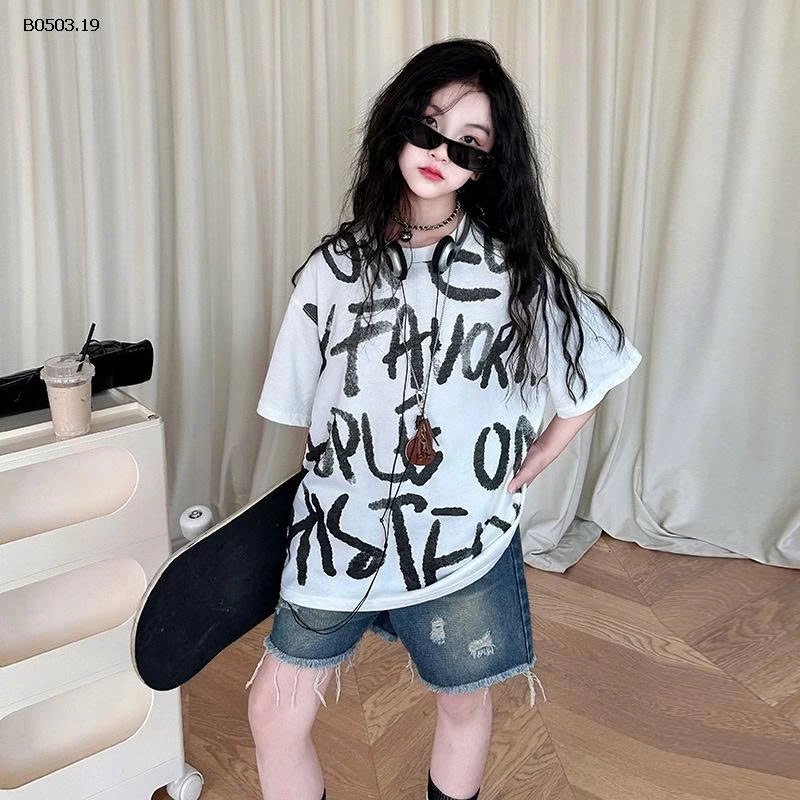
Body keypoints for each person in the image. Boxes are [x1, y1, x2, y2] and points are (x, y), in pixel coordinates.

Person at [247, 37, 642, 800]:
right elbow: (306, 415)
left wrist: (538, 457)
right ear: (396, 124)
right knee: (273, 711)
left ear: (487, 165)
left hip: (462, 534)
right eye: (428, 127)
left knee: (463, 704)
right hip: (339, 532)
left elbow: (597, 358)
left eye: (469, 143)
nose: (440, 153)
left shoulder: (511, 269)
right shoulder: (334, 269)